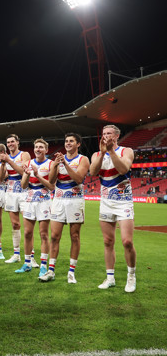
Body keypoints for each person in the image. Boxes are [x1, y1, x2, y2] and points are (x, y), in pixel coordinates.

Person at [89, 125, 137, 292]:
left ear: (117, 136)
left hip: (123, 202)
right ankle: (110, 278)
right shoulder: (97, 154)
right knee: (108, 241)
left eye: (109, 133)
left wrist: (111, 152)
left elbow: (124, 169)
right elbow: (93, 172)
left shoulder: (126, 151)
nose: (106, 136)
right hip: (106, 202)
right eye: (103, 134)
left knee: (127, 241)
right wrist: (103, 153)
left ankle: (131, 276)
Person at [40, 133, 90, 283]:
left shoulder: (83, 159)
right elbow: (51, 180)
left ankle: (71, 272)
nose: (68, 143)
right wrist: (56, 164)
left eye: (71, 141)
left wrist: (65, 164)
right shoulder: (57, 160)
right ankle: (51, 271)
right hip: (58, 200)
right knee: (55, 236)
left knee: (74, 236)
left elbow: (79, 179)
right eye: (66, 141)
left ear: (78, 144)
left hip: (75, 200)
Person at [15, 139, 54, 276]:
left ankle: (43, 265)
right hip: (29, 200)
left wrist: (37, 175)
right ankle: (27, 263)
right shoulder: (28, 163)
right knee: (27, 233)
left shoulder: (51, 164)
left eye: (41, 147)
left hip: (44, 201)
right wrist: (26, 173)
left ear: (46, 150)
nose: (38, 149)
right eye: (36, 147)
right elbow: (23, 185)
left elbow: (51, 186)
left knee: (43, 234)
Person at [0, 134, 35, 266]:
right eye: (8, 142)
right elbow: (0, 179)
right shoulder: (5, 158)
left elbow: (23, 172)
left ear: (18, 142)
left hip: (24, 192)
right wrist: (3, 164)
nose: (10, 144)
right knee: (15, 225)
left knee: (28, 227)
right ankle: (16, 254)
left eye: (12, 141)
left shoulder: (24, 155)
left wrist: (8, 160)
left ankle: (31, 256)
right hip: (11, 192)